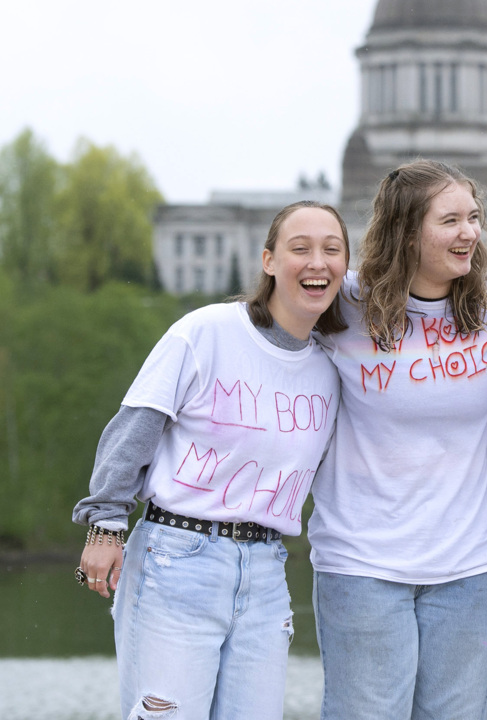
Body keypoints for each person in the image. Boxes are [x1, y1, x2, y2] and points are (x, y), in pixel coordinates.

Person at [71, 200, 349, 719]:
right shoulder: (206, 331)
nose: (317, 262)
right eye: (300, 248)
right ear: (268, 260)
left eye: (332, 250)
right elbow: (136, 426)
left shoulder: (330, 369)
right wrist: (105, 524)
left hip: (266, 570)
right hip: (178, 559)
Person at [308, 160, 487, 720]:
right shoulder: (344, 307)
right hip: (363, 564)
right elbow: (266, 326)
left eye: (473, 217)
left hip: (469, 567)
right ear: (405, 230)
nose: (469, 232)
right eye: (450, 220)